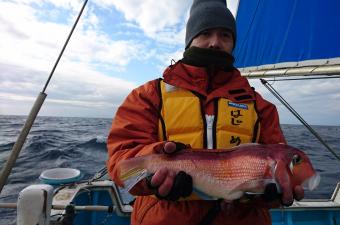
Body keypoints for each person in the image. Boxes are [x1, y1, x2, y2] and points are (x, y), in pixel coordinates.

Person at [107, 0, 304, 224]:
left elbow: (277, 162)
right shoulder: (148, 96)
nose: (215, 43)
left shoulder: (261, 107)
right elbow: (121, 163)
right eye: (205, 33)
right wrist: (157, 166)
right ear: (190, 39)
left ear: (233, 44)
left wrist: (268, 195)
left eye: (225, 35)